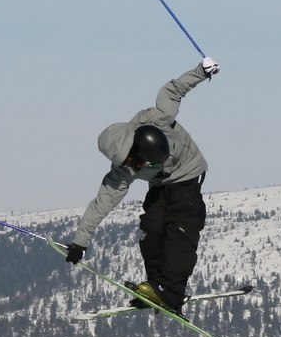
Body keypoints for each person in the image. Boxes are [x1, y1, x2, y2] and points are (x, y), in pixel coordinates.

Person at [66, 56, 220, 315]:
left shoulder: (158, 118)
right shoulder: (123, 170)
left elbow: (173, 89)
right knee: (151, 230)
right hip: (160, 186)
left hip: (188, 175)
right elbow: (100, 205)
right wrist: (80, 243)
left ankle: (170, 292)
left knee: (180, 230)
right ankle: (155, 287)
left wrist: (202, 71)